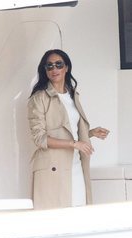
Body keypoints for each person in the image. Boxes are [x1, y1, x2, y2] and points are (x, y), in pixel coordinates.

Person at [27, 49, 109, 210]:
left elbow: (70, 128)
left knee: (79, 213)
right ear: (45, 70)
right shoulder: (39, 98)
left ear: (67, 68)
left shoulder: (72, 95)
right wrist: (73, 144)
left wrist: (90, 133)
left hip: (75, 166)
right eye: (49, 66)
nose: (54, 69)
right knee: (56, 221)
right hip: (52, 168)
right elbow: (39, 138)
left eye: (59, 64)